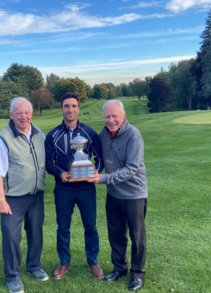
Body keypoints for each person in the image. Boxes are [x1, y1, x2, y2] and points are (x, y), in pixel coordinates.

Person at [0, 97, 49, 293]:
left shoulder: (40, 134)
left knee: (35, 233)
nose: (23, 117)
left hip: (36, 195)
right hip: (13, 198)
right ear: (11, 115)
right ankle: (13, 276)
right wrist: (0, 200)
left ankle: (34, 266)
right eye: (19, 113)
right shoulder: (3, 138)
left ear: (31, 113)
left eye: (26, 112)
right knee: (11, 237)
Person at [89, 99, 148, 292]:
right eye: (107, 116)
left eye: (115, 116)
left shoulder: (133, 135)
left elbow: (131, 168)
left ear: (123, 116)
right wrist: (86, 170)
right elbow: (98, 159)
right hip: (114, 195)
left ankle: (137, 273)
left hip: (134, 195)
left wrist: (103, 178)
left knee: (137, 236)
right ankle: (119, 268)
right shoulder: (103, 135)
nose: (111, 120)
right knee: (116, 234)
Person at [45, 92, 104, 280]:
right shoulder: (53, 135)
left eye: (73, 106)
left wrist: (96, 172)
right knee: (63, 227)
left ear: (79, 108)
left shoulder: (89, 133)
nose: (70, 109)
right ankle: (64, 262)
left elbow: (100, 158)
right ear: (61, 109)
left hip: (86, 188)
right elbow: (48, 162)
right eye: (66, 106)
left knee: (91, 226)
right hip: (63, 190)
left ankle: (93, 262)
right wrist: (59, 173)